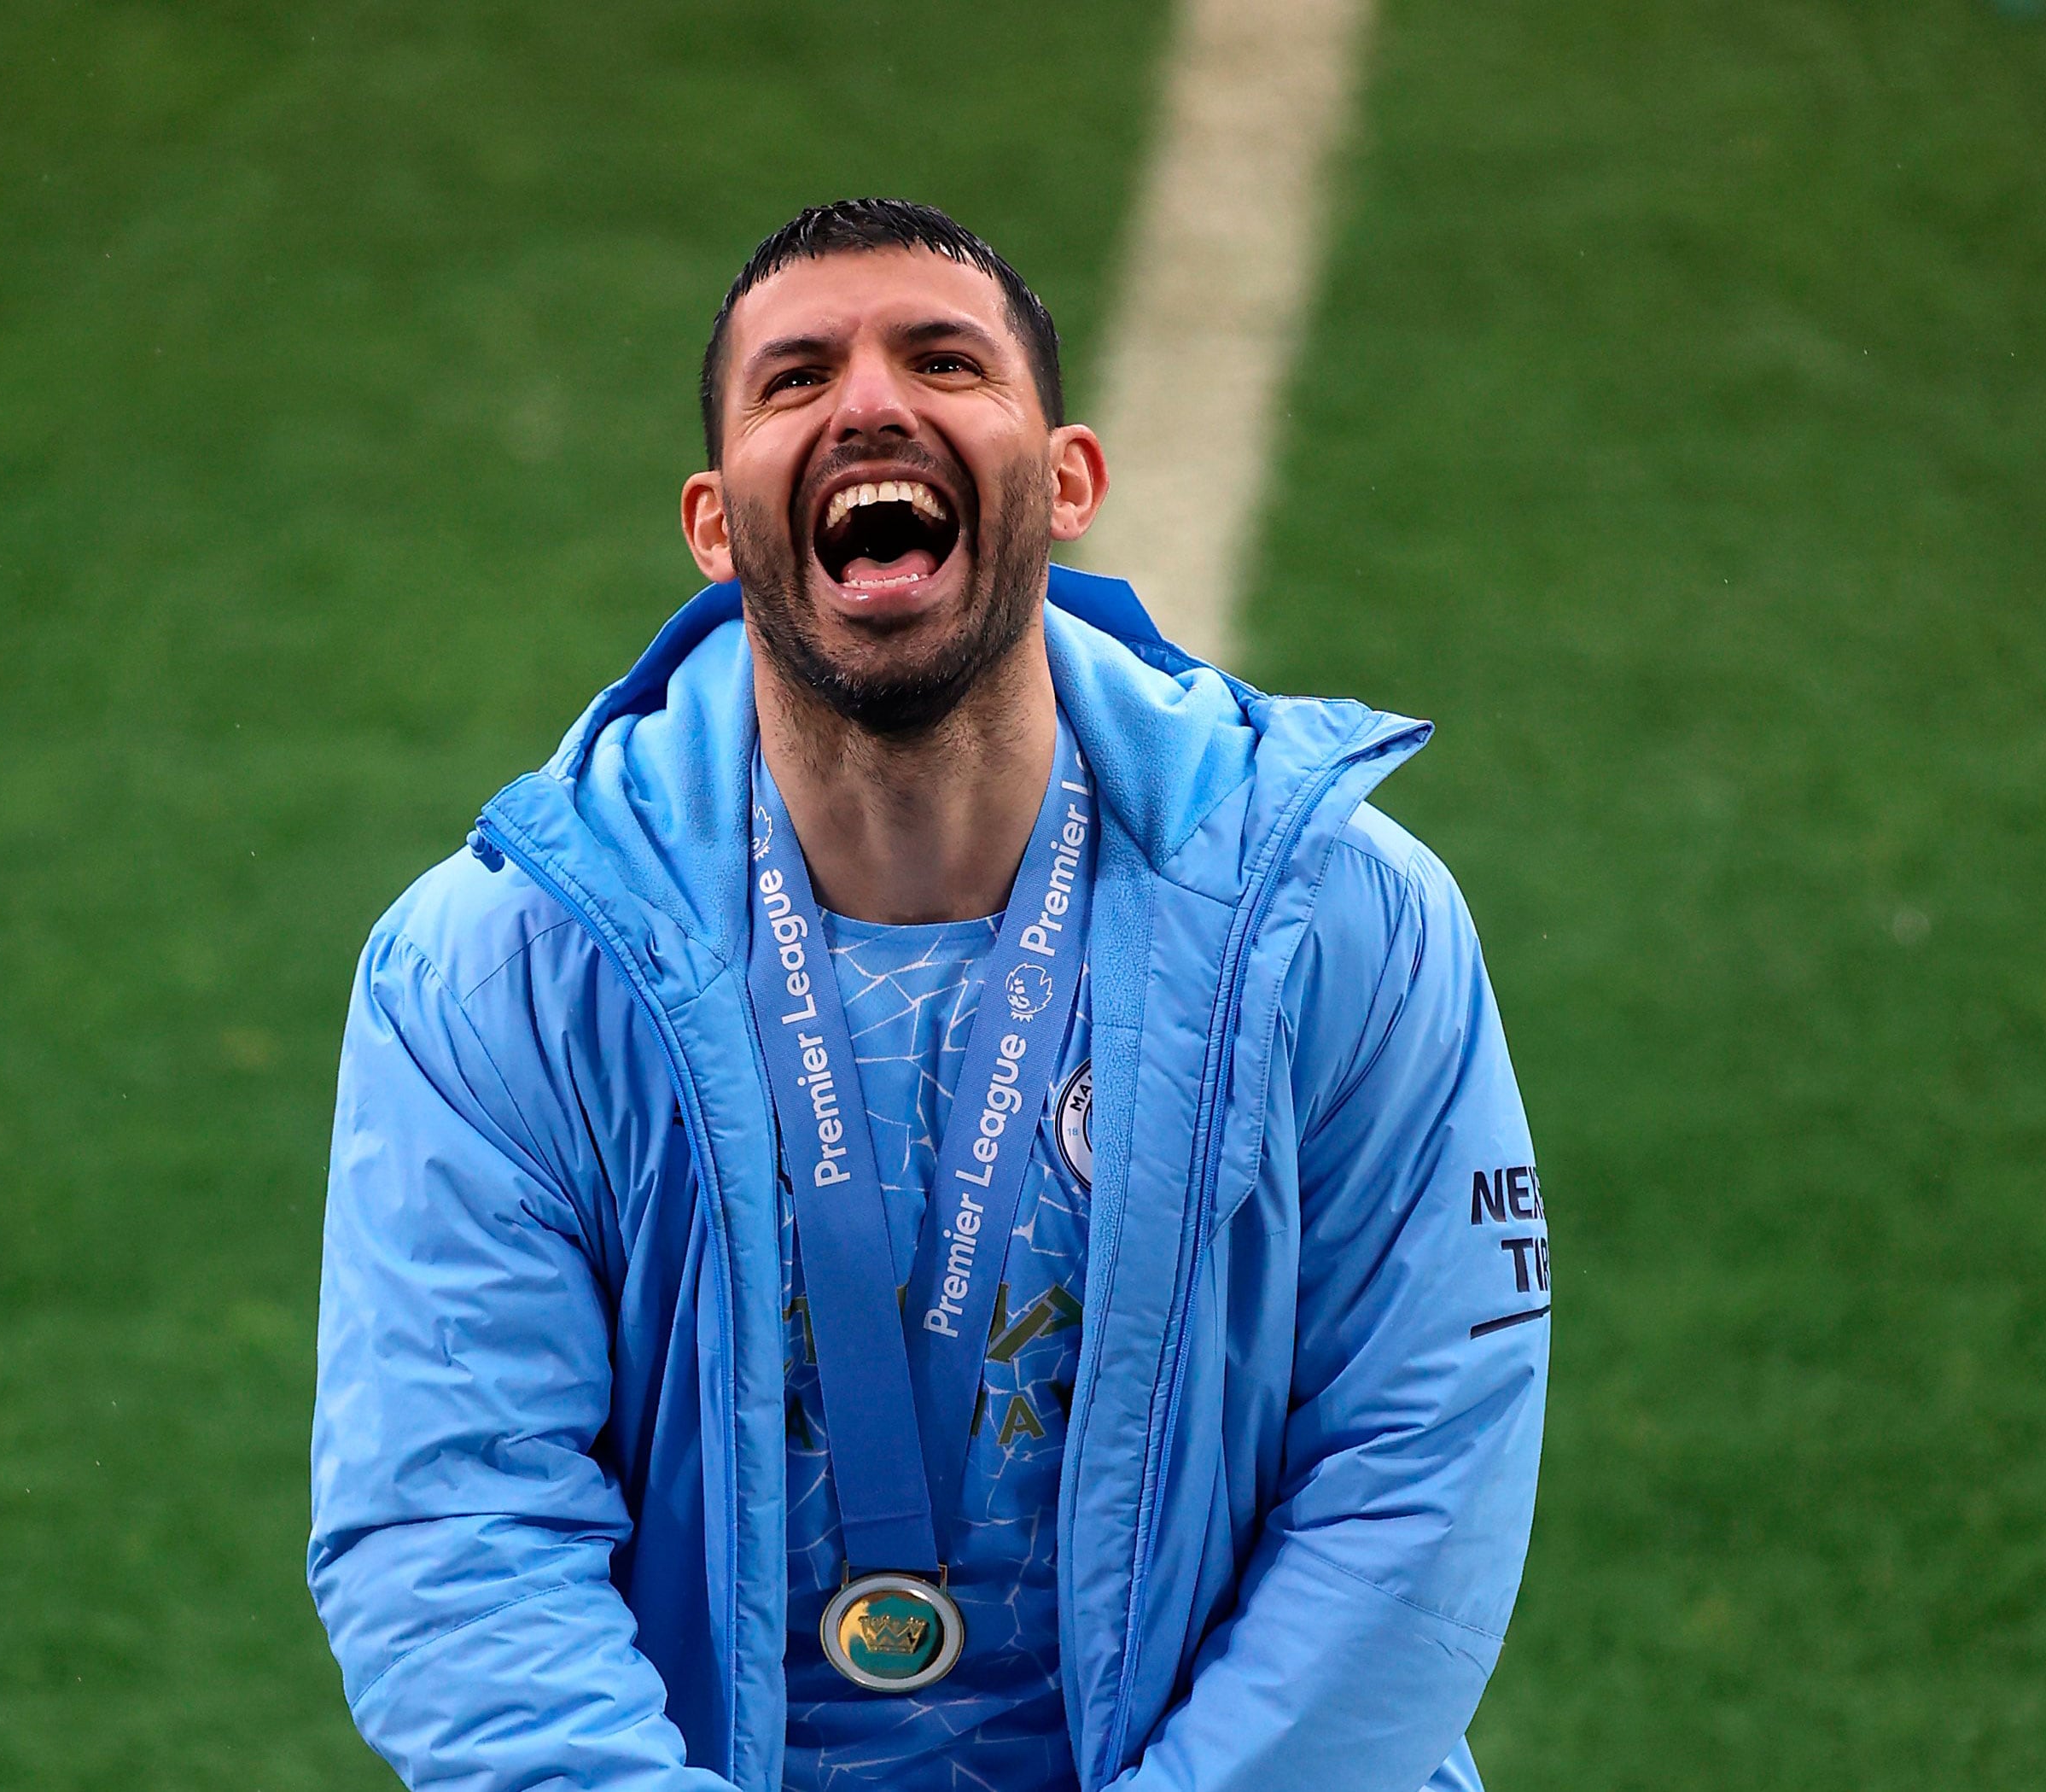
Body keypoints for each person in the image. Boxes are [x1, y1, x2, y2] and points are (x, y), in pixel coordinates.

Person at [308, 198, 1549, 1792]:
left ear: (1068, 480)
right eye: (794, 377)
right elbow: (453, 1528)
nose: (871, 405)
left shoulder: (1342, 920)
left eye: (944, 361)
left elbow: (1417, 1483)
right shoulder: (500, 967)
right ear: (711, 520)